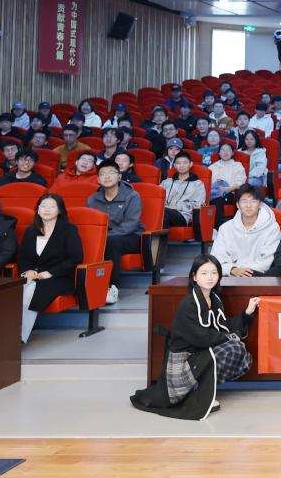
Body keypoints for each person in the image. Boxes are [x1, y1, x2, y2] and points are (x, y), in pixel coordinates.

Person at [131, 255, 259, 420]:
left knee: (238, 349)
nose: (210, 277)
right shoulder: (189, 303)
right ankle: (195, 394)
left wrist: (247, 313)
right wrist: (231, 337)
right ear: (194, 277)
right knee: (233, 347)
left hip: (198, 356)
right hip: (182, 364)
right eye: (204, 273)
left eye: (214, 273)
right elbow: (202, 337)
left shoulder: (214, 298)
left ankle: (200, 389)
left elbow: (223, 326)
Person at [18, 194, 83, 342]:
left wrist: (51, 272)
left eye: (52, 206)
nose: (46, 209)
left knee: (30, 290)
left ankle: (20, 337)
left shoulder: (69, 230)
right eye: (43, 206)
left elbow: (75, 258)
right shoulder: (31, 231)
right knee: (16, 289)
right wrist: (27, 271)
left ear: (59, 210)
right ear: (38, 210)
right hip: (34, 276)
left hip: (59, 277)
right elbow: (23, 256)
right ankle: (7, 335)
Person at [87, 160, 143, 305]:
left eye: (111, 173)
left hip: (131, 237)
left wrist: (103, 238)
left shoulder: (132, 196)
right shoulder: (92, 199)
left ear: (119, 176)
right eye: (102, 174)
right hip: (104, 238)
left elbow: (130, 225)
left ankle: (112, 287)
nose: (106, 176)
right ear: (98, 179)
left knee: (112, 242)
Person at [209, 186, 280, 277]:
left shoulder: (272, 228)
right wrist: (232, 269)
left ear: (260, 204)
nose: (248, 206)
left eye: (253, 201)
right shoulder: (225, 228)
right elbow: (217, 257)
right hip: (230, 276)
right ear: (237, 205)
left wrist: (244, 272)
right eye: (244, 201)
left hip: (259, 277)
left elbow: (266, 261)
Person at [161, 152, 206, 229]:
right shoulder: (166, 182)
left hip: (183, 216)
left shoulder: (198, 184)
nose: (181, 166)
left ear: (190, 164)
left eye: (185, 163)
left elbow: (198, 205)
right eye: (178, 163)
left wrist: (176, 206)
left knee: (164, 213)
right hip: (165, 211)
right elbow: (157, 198)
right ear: (174, 165)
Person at [207, 142, 247, 224]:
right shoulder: (212, 167)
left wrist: (227, 189)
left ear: (232, 153)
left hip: (230, 192)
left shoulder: (237, 166)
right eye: (223, 150)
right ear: (219, 153)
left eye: (228, 150)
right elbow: (207, 183)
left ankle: (218, 227)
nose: (225, 152)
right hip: (213, 192)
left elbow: (240, 182)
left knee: (217, 200)